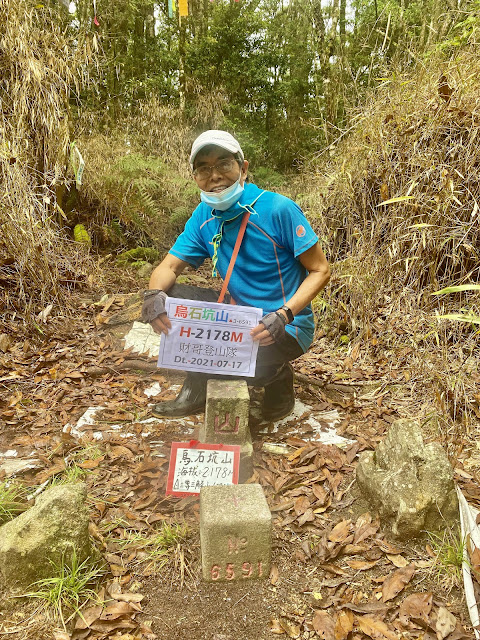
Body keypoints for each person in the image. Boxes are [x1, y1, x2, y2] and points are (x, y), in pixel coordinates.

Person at [141, 130, 330, 420]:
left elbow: (320, 270)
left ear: (243, 168)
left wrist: (284, 314)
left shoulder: (278, 209)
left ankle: (279, 382)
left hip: (285, 324)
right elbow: (168, 268)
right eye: (203, 168)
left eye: (223, 164)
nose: (214, 175)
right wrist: (153, 296)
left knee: (238, 370)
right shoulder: (203, 216)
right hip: (238, 318)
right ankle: (194, 390)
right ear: (195, 177)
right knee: (171, 298)